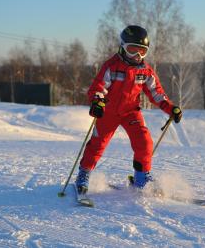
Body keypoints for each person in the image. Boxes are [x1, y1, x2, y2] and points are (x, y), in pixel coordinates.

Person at [75, 25, 182, 194]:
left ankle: (141, 179)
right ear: (122, 47)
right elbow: (98, 87)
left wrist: (171, 108)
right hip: (108, 112)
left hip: (131, 112)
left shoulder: (145, 71)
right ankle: (84, 174)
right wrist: (97, 102)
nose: (137, 55)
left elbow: (156, 93)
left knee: (144, 142)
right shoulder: (112, 66)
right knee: (97, 144)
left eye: (142, 51)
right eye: (132, 50)